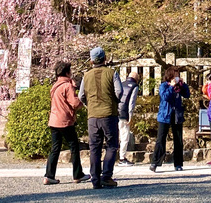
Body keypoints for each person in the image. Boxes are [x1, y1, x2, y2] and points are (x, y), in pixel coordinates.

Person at [79, 46, 122, 189]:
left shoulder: (86, 76)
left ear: (91, 61)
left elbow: (81, 96)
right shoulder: (112, 73)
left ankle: (95, 180)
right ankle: (107, 176)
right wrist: (113, 102)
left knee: (94, 148)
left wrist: (89, 105)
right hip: (109, 114)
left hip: (92, 117)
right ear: (105, 58)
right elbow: (119, 92)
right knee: (111, 145)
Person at [45, 61, 88, 185]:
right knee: (74, 147)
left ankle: (49, 175)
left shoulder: (55, 86)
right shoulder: (67, 86)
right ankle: (78, 174)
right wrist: (82, 102)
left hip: (53, 120)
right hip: (65, 121)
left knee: (55, 148)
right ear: (67, 72)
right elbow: (74, 103)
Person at [150, 65, 190, 172]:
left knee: (178, 140)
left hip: (177, 114)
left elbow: (187, 95)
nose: (177, 77)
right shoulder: (164, 86)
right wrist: (172, 87)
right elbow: (165, 97)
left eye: (178, 75)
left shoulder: (179, 87)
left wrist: (183, 85)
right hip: (165, 115)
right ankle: (155, 162)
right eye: (175, 75)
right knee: (161, 139)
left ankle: (178, 163)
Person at [117, 71, 141, 166]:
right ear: (136, 79)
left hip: (116, 112)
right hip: (124, 114)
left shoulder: (121, 84)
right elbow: (131, 103)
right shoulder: (134, 87)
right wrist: (130, 117)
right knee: (124, 137)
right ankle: (122, 158)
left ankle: (115, 157)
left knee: (117, 136)